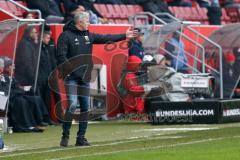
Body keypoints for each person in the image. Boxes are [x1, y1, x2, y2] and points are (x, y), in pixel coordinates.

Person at [57, 11, 137, 147]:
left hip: (85, 77)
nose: (89, 22)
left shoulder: (88, 35)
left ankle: (80, 138)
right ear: (79, 22)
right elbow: (61, 56)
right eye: (87, 20)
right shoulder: (65, 36)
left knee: (85, 108)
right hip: (71, 77)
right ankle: (65, 135)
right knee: (71, 104)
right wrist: (73, 70)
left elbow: (106, 38)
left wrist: (125, 36)